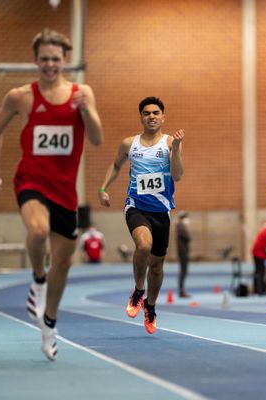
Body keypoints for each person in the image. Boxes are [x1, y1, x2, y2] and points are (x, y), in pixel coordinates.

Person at [0, 28, 103, 361]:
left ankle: (49, 324)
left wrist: (86, 112)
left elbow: (96, 138)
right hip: (31, 181)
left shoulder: (82, 93)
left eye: (56, 59)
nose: (50, 64)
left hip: (65, 190)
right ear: (36, 60)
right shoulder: (20, 96)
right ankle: (37, 278)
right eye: (44, 59)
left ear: (64, 60)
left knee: (63, 262)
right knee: (37, 231)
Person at [98, 96, 184, 334]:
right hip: (136, 206)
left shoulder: (169, 143)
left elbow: (177, 176)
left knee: (156, 267)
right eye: (147, 113)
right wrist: (103, 189)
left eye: (156, 113)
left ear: (163, 116)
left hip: (161, 211)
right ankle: (138, 290)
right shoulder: (129, 144)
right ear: (141, 117)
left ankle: (151, 305)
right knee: (143, 246)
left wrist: (176, 149)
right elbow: (116, 165)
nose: (151, 117)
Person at [176, 211, 192, 298]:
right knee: (183, 271)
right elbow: (188, 237)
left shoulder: (181, 226)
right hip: (183, 252)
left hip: (183, 251)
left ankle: (182, 290)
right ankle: (181, 291)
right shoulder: (180, 226)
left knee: (184, 271)